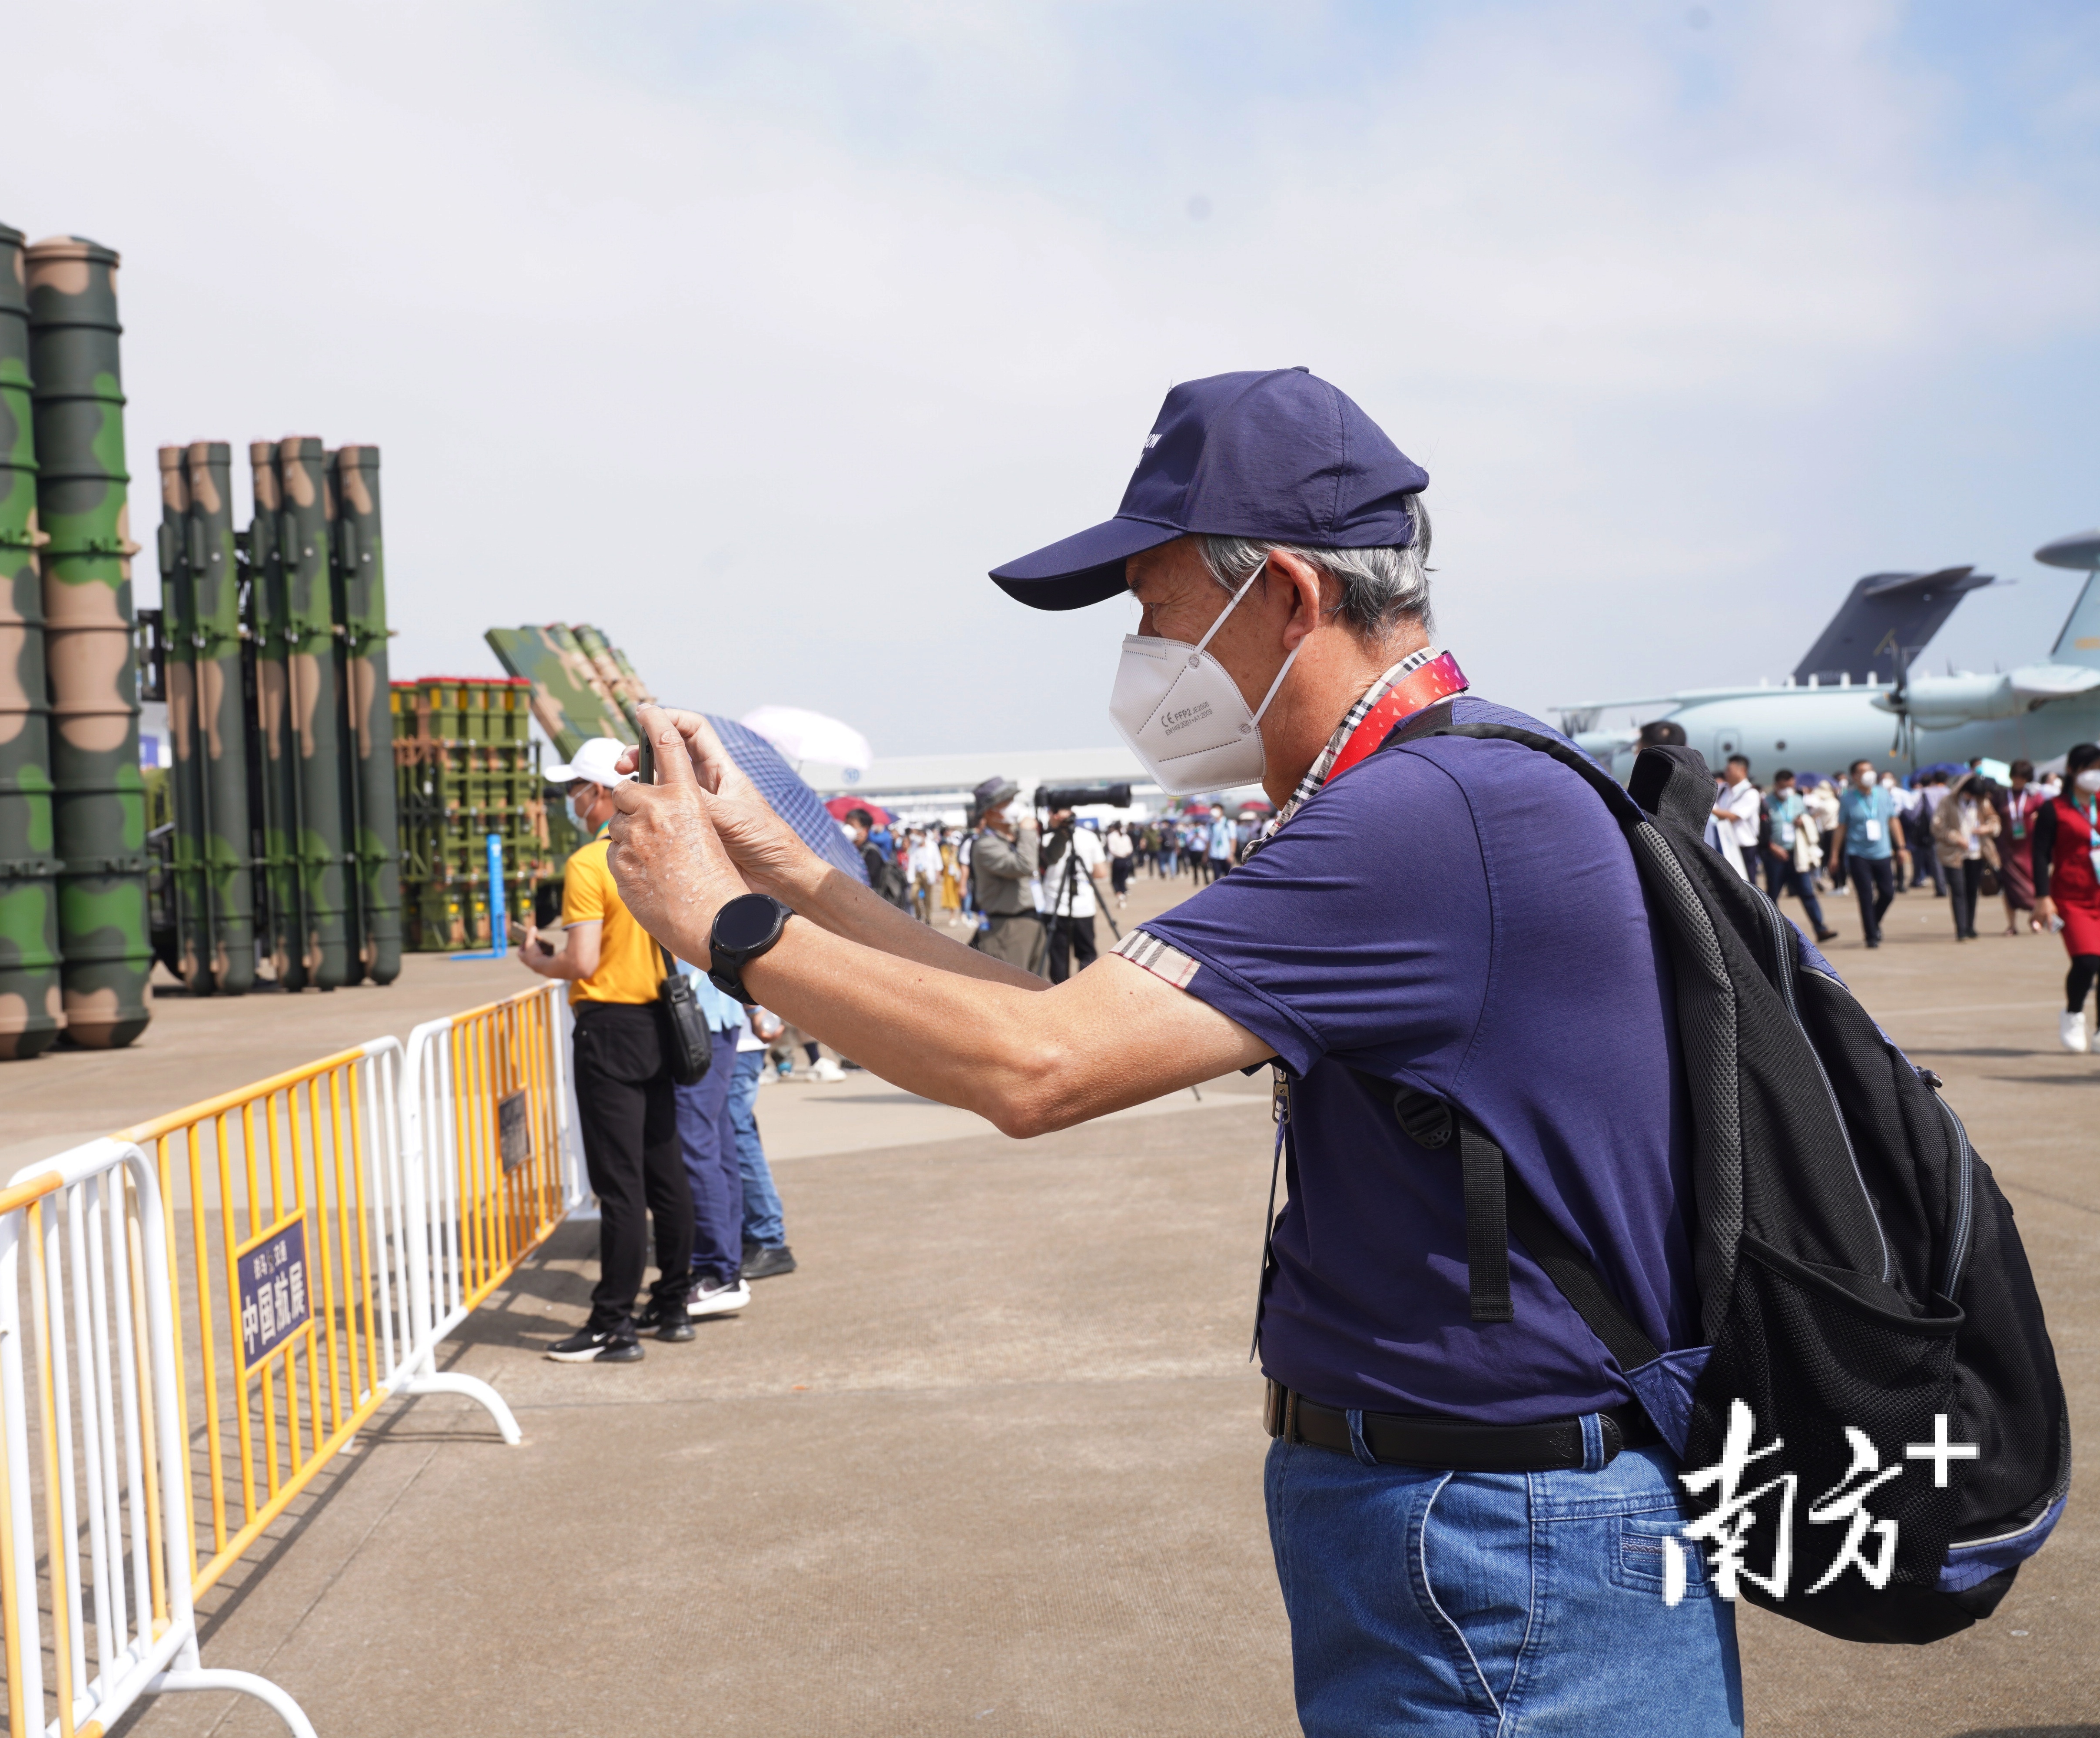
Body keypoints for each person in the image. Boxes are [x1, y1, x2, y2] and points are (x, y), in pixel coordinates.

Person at [602, 368, 1740, 1735]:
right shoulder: (1437, 783)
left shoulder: (1425, 817)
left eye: (1153, 613)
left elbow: (1036, 1066)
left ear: (1285, 595)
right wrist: (792, 873)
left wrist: (720, 925)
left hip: (1504, 1543)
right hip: (1479, 1518)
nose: (1140, 660)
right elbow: (1041, 1018)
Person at [515, 736, 693, 1363]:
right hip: (660, 1020)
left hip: (610, 1025)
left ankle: (611, 1322)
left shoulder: (591, 865)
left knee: (619, 1185)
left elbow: (582, 959)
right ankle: (672, 1303)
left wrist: (537, 958)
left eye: (573, 790)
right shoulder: (657, 853)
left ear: (598, 794)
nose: (570, 801)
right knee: (665, 1172)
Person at [669, 962, 752, 1324]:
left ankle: (718, 1271)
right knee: (716, 1147)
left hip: (695, 1016)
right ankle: (724, 1265)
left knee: (699, 1148)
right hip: (711, 1016)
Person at [2031, 743, 2100, 1053]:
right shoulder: (2054, 808)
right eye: (2090, 768)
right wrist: (2043, 897)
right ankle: (2073, 1013)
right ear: (2072, 770)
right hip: (2071, 897)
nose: (2096, 775)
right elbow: (2040, 855)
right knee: (2087, 960)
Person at [731, 1005, 800, 1276]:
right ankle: (755, 1235)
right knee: (733, 1138)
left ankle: (767, 1239)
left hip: (739, 1040)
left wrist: (756, 1012)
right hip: (735, 1037)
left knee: (737, 1137)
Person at [967, 776, 1046, 972]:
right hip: (1007, 927)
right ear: (991, 813)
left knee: (1041, 986)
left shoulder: (1014, 837)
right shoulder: (985, 845)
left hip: (1032, 921)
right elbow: (1024, 866)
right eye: (1007, 803)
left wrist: (1060, 833)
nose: (1014, 807)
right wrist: (1028, 833)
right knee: (1014, 988)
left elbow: (1047, 861)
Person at [1830, 758, 1908, 948]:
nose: (1870, 774)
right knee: (1865, 896)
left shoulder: (1883, 794)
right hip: (1858, 854)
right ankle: (1871, 936)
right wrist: (1834, 855)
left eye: (1871, 770)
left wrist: (1902, 847)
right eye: (1864, 772)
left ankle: (1874, 921)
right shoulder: (1847, 799)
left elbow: (1893, 821)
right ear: (1855, 777)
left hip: (1882, 852)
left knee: (1888, 893)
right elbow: (1841, 828)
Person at [1760, 769, 1837, 943]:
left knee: (1807, 892)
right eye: (1785, 787)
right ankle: (1773, 933)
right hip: (1775, 855)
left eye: (1791, 786)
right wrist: (1772, 848)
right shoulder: (1766, 803)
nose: (1789, 790)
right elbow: (1762, 831)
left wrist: (1804, 822)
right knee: (1772, 896)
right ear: (1777, 786)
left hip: (1796, 854)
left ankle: (1820, 928)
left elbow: (1808, 819)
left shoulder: (1797, 800)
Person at [1038, 805, 1106, 984]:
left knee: (1058, 957)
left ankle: (1060, 994)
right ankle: (1086, 991)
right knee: (1087, 954)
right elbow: (1101, 872)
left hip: (1054, 905)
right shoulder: (1089, 836)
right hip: (1083, 906)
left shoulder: (1045, 839)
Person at [1933, 776, 1997, 943]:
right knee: (1958, 891)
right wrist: (1956, 838)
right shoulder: (1947, 802)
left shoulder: (1982, 802)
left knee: (1972, 891)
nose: (1972, 798)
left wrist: (1987, 828)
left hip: (1976, 852)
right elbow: (1937, 826)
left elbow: (1995, 820)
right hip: (1954, 854)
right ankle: (1961, 929)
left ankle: (1970, 926)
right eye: (1969, 794)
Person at [1996, 760, 2047, 935]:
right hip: (2007, 849)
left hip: (2029, 847)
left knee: (2033, 884)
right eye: (2016, 777)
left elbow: (2048, 814)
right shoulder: (2001, 796)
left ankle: (2036, 918)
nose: (2018, 781)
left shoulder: (2034, 796)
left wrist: (2039, 817)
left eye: (2022, 778)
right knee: (2009, 887)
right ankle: (2012, 924)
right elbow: (1991, 815)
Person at [1705, 754, 1758, 883]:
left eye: (1730, 770)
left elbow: (1733, 817)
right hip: (1724, 844)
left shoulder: (1751, 793)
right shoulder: (1723, 789)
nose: (1726, 773)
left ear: (1743, 771)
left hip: (1743, 848)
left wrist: (1710, 809)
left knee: (1748, 885)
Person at [1107, 819, 1135, 906]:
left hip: (1118, 860)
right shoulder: (1126, 837)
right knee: (1123, 879)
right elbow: (1130, 849)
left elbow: (1112, 850)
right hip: (1126, 859)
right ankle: (1123, 893)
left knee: (1115, 880)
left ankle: (1120, 894)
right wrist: (1125, 854)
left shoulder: (1112, 836)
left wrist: (1121, 854)